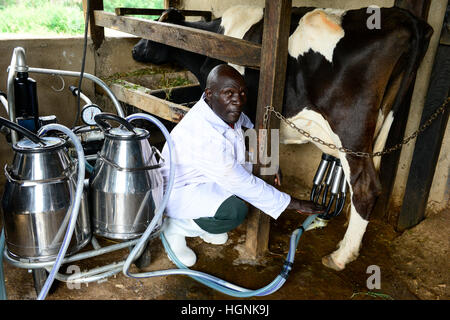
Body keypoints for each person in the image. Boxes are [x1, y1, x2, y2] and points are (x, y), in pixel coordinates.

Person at [160, 64, 324, 267]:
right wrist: (295, 203)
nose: (238, 101)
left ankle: (205, 227)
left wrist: (270, 162)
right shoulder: (203, 136)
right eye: (229, 93)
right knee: (235, 211)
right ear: (209, 94)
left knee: (249, 177)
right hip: (179, 192)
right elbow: (242, 183)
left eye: (242, 92)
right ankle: (176, 227)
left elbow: (250, 124)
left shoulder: (222, 110)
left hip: (205, 178)